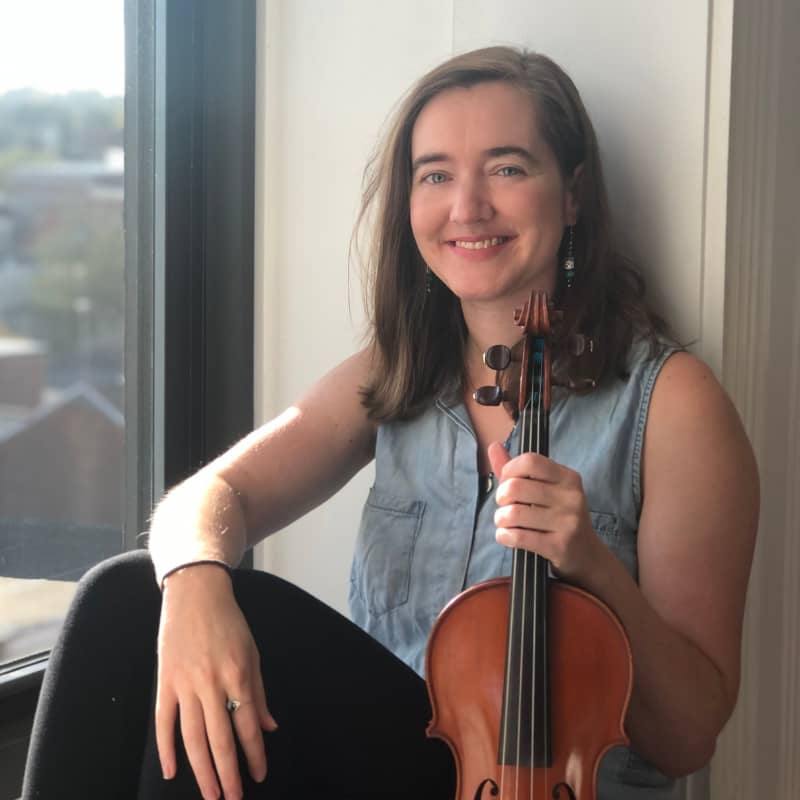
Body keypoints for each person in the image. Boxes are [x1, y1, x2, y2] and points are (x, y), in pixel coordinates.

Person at [22, 47, 758, 800]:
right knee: (128, 598)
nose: (467, 207)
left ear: (571, 194)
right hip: (388, 765)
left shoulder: (673, 403)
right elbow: (204, 500)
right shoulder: (402, 373)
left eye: (506, 168)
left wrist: (592, 566)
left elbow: (689, 736)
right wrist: (195, 588)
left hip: (558, 785)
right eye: (435, 174)